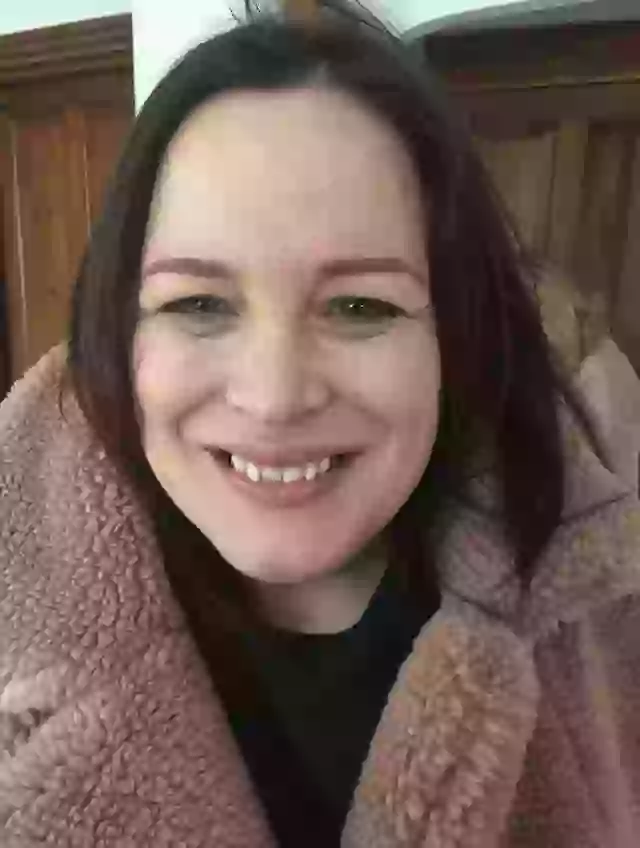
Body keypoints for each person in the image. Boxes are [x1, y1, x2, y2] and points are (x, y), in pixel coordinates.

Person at [1, 7, 640, 847]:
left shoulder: (603, 603)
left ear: (455, 335)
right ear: (118, 329)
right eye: (199, 303)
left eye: (360, 306)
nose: (274, 397)